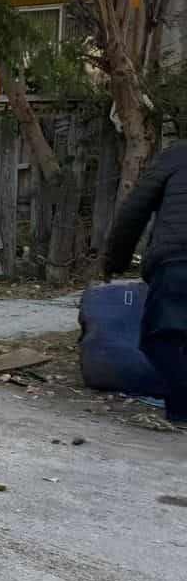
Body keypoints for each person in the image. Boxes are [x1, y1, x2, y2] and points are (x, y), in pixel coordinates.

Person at [103, 142, 187, 422]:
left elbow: (133, 212)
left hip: (177, 261)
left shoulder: (176, 155)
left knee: (160, 339)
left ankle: (181, 409)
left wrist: (114, 262)